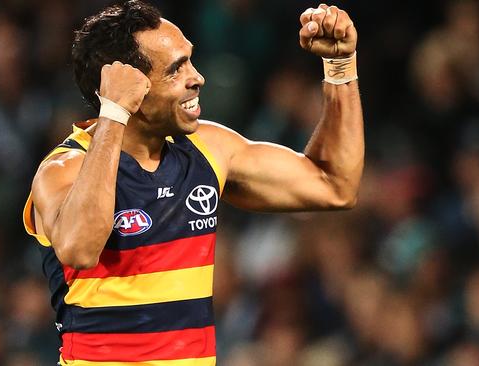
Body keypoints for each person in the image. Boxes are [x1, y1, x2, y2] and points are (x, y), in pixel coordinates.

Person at [22, 1, 363, 365]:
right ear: (129, 88)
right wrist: (113, 114)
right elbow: (79, 249)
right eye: (175, 70)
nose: (197, 77)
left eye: (190, 60)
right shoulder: (63, 168)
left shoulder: (209, 149)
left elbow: (334, 185)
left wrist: (340, 68)